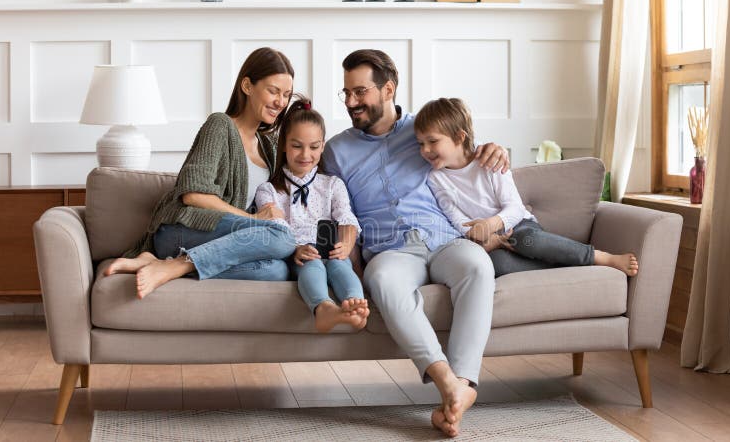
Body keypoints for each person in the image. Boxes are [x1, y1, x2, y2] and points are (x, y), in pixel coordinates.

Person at [321, 49, 510, 438]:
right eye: (346, 93)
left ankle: (464, 384)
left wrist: (495, 149)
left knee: (477, 265)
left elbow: (465, 153)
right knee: (385, 282)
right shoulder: (336, 150)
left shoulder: (422, 130)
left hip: (443, 237)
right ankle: (449, 383)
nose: (351, 102)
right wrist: (349, 270)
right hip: (389, 249)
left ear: (388, 88)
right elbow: (332, 208)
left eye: (360, 92)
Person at [104, 47, 297, 298]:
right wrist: (254, 221)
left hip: (220, 239)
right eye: (273, 91)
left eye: (286, 95)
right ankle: (175, 264)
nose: (280, 102)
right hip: (183, 229)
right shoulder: (220, 125)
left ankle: (166, 264)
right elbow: (193, 196)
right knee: (282, 237)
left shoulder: (269, 147)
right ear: (247, 86)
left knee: (276, 272)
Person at [415, 97, 640, 278]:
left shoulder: (489, 162)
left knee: (526, 241)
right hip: (490, 241)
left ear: (459, 137)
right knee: (497, 266)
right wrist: (483, 237)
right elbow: (456, 217)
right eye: (420, 143)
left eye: (432, 141)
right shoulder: (435, 178)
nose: (425, 150)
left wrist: (492, 224)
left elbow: (513, 207)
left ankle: (599, 257)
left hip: (519, 226)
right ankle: (566, 265)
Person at [254, 96, 369, 333]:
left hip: (331, 249)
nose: (305, 154)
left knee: (340, 266)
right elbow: (276, 228)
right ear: (283, 145)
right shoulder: (269, 190)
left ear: (323, 146)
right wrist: (296, 248)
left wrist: (346, 244)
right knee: (313, 266)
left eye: (314, 147)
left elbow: (346, 216)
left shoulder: (332, 184)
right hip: (299, 255)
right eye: (297, 146)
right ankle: (323, 309)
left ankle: (355, 307)